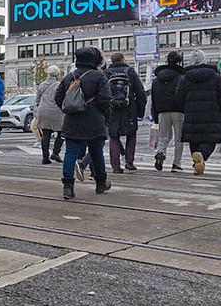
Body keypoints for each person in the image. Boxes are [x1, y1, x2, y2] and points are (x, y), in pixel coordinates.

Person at [55, 47, 111, 200]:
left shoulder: (69, 77)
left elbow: (58, 97)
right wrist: (104, 116)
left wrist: (69, 109)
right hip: (94, 120)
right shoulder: (99, 77)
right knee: (96, 152)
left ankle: (68, 187)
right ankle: (101, 182)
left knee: (70, 152)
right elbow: (105, 99)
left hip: (72, 120)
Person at [175, 49, 221, 175]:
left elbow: (178, 98)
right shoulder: (215, 77)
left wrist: (186, 107)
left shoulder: (184, 78)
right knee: (209, 140)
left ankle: (197, 161)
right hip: (212, 114)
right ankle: (202, 156)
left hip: (192, 115)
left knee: (194, 139)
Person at [106, 52, 147, 173]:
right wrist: (140, 112)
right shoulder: (130, 72)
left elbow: (102, 94)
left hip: (112, 109)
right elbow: (140, 93)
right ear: (123, 60)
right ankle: (129, 161)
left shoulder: (106, 74)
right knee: (131, 134)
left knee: (113, 137)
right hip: (129, 109)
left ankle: (116, 166)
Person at [151, 50, 186, 172]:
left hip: (162, 112)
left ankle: (161, 152)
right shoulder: (182, 77)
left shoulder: (157, 80)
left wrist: (155, 116)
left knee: (164, 137)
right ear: (179, 63)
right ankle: (176, 164)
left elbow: (154, 99)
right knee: (179, 138)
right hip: (179, 111)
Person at [35, 65, 64, 165]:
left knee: (46, 134)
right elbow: (61, 99)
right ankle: (55, 152)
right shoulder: (59, 85)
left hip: (43, 111)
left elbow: (37, 100)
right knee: (61, 133)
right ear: (57, 75)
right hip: (56, 112)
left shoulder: (42, 85)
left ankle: (45, 157)